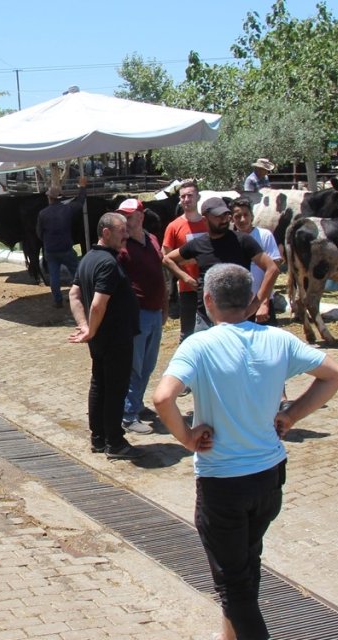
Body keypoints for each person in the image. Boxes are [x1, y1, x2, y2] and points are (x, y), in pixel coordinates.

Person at [152, 263, 338, 640]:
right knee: (246, 565)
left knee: (233, 587)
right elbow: (336, 374)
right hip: (269, 478)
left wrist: (187, 438)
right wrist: (291, 415)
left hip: (223, 483)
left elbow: (163, 398)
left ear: (208, 300)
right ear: (251, 299)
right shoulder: (279, 339)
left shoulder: (199, 344)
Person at [68, 212, 141, 460]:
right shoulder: (107, 263)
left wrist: (86, 327)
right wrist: (90, 327)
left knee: (99, 385)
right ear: (106, 232)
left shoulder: (88, 258)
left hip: (100, 338)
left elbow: (74, 294)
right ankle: (114, 442)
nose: (126, 235)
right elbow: (98, 304)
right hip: (114, 338)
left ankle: (98, 438)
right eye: (122, 231)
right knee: (115, 390)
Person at [164, 196, 278, 334]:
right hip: (205, 320)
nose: (224, 219)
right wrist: (186, 278)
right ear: (205, 219)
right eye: (218, 216)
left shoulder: (243, 241)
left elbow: (272, 268)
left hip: (237, 319)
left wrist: (257, 304)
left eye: (226, 215)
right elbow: (167, 259)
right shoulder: (198, 244)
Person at [116, 198, 167, 435]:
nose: (126, 220)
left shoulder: (152, 239)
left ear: (141, 216)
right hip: (136, 314)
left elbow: (159, 272)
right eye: (123, 216)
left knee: (148, 364)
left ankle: (136, 403)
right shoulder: (122, 247)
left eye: (129, 215)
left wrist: (165, 308)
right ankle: (128, 414)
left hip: (155, 311)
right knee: (135, 366)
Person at [163, 180, 209, 342]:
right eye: (183, 196)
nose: (186, 199)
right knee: (187, 333)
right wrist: (184, 276)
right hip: (187, 287)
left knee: (212, 330)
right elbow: (166, 257)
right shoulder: (174, 226)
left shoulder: (208, 223)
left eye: (190, 195)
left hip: (210, 285)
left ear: (198, 197)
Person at [229, 197, 283, 324]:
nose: (242, 219)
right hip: (238, 303)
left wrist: (264, 303)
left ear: (252, 216)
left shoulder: (264, 236)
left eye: (246, 215)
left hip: (261, 299)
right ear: (232, 218)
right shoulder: (230, 239)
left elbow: (273, 269)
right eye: (237, 216)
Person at [36, 177, 88, 308]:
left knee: (54, 276)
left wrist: (47, 242)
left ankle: (57, 301)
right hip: (65, 247)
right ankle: (82, 296)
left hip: (50, 249)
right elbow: (81, 201)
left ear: (49, 198)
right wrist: (82, 187)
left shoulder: (43, 213)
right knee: (76, 273)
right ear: (59, 197)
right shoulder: (67, 209)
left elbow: (39, 233)